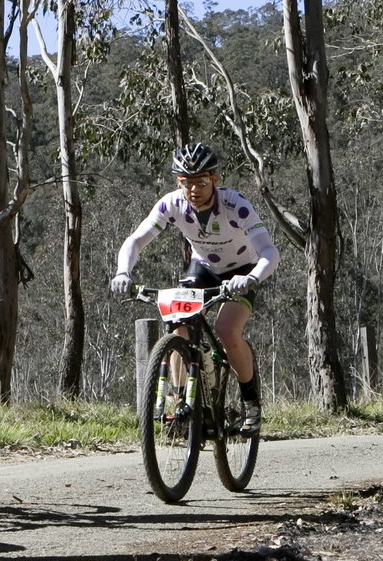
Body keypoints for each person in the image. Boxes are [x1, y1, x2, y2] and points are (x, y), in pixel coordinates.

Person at [111, 142, 277, 434]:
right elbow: (135, 241)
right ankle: (183, 405)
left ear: (214, 179)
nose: (193, 189)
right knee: (179, 327)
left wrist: (252, 277)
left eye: (201, 181)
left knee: (227, 331)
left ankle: (251, 403)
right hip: (203, 267)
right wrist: (123, 271)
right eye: (185, 182)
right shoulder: (172, 204)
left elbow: (269, 252)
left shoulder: (235, 205)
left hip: (242, 270)